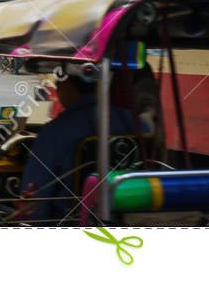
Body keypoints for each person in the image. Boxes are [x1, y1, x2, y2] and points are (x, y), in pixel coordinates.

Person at [17, 74, 135, 223]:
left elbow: (35, 199)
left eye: (59, 81)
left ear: (67, 84)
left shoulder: (54, 132)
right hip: (128, 218)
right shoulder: (136, 123)